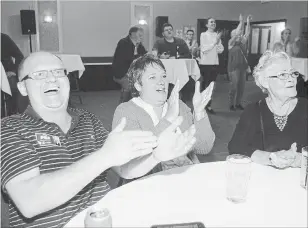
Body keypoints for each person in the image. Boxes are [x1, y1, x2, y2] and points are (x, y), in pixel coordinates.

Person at [1, 52, 196, 227]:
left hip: (105, 219)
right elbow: (29, 201)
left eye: (58, 72)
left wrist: (155, 156)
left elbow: (125, 170)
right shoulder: (10, 128)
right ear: (22, 87)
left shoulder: (88, 120)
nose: (52, 79)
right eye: (40, 74)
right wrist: (104, 156)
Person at [112, 54, 215, 179]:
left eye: (164, 76)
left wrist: (199, 112)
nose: (161, 82)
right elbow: (132, 161)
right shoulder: (126, 111)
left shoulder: (179, 106)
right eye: (152, 77)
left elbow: (204, 147)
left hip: (185, 178)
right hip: (149, 183)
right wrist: (168, 118)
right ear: (138, 85)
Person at [228, 50, 307, 169]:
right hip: (264, 183)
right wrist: (270, 158)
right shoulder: (253, 111)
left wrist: (302, 159)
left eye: (293, 73)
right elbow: (236, 147)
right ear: (265, 82)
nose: (291, 79)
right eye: (283, 75)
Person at [112, 26, 147, 103]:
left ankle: (134, 107)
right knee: (129, 85)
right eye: (139, 35)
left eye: (142, 35)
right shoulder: (123, 42)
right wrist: (140, 56)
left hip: (132, 73)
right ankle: (121, 108)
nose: (141, 37)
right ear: (132, 34)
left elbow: (145, 55)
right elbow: (128, 58)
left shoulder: (139, 45)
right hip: (122, 73)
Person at [199, 17, 224, 114]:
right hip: (205, 63)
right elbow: (204, 49)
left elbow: (220, 50)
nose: (213, 23)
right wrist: (215, 41)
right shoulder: (203, 35)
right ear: (207, 25)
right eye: (211, 22)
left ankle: (208, 105)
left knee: (211, 86)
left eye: (214, 22)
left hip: (215, 63)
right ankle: (201, 104)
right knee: (205, 85)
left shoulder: (216, 35)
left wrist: (218, 43)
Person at [1, 33, 29, 116]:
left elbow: (19, 56)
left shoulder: (3, 38)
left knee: (14, 83)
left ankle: (14, 113)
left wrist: (13, 71)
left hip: (7, 73)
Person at [228, 14, 252, 111]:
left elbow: (248, 33)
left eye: (240, 34)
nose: (239, 35)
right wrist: (241, 22)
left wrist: (248, 22)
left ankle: (238, 103)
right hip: (233, 68)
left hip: (242, 68)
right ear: (233, 35)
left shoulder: (242, 43)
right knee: (234, 87)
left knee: (241, 87)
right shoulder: (230, 43)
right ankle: (231, 104)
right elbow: (238, 32)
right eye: (237, 34)